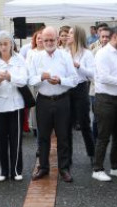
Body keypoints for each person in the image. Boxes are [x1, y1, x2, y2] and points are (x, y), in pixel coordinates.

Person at [29, 26, 79, 183]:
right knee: (43, 137)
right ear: (41, 41)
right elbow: (29, 79)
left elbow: (75, 80)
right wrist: (41, 78)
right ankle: (43, 167)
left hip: (62, 99)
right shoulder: (36, 57)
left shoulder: (65, 56)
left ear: (58, 40)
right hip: (43, 100)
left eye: (52, 40)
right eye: (46, 40)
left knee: (63, 136)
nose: (49, 42)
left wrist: (61, 80)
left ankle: (64, 168)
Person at [0, 31, 27, 182]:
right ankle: (1, 170)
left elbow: (23, 80)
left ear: (11, 44)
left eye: (6, 43)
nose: (3, 47)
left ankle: (16, 170)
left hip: (16, 104)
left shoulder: (20, 59)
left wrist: (10, 77)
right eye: (0, 44)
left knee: (16, 139)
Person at [92, 26, 117, 183]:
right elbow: (103, 77)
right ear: (115, 38)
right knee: (103, 136)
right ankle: (98, 169)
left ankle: (116, 167)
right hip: (105, 99)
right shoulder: (102, 54)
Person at [66, 25, 96, 160]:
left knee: (84, 123)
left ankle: (92, 154)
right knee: (66, 126)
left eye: (71, 33)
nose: (68, 35)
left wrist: (79, 66)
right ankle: (68, 157)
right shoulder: (63, 52)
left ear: (78, 36)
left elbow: (92, 74)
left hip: (81, 89)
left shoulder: (87, 53)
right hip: (66, 90)